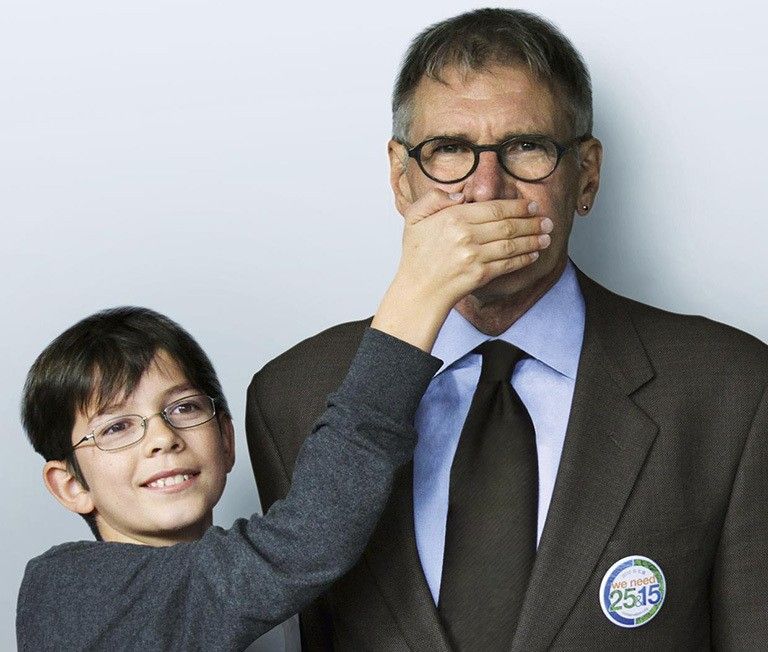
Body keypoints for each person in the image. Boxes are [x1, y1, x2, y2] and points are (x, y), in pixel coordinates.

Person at [245, 8, 768, 651]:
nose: (486, 189)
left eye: (527, 148)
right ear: (400, 178)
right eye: (448, 152)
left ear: (587, 174)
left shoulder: (732, 391)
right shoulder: (293, 397)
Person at [16, 199, 550, 650]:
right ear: (69, 485)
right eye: (115, 428)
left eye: (183, 409)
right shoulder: (62, 593)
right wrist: (419, 295)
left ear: (226, 440)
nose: (162, 438)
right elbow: (304, 543)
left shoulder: (288, 607)